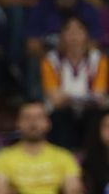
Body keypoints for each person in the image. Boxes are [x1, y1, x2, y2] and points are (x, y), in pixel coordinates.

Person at [42, 14, 109, 150]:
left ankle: (91, 157)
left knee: (97, 116)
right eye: (69, 31)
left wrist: (75, 98)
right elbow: (55, 97)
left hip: (90, 111)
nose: (74, 35)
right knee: (61, 116)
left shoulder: (99, 60)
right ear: (62, 35)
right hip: (62, 111)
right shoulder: (51, 60)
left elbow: (99, 94)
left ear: (86, 34)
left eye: (78, 31)